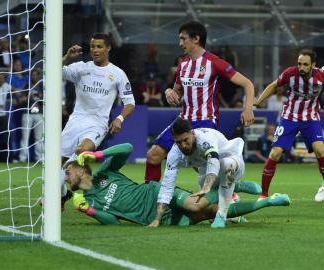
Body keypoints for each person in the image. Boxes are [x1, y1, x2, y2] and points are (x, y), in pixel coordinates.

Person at [67, 143, 290, 226]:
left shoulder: (105, 173)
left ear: (81, 168)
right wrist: (90, 211)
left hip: (155, 194)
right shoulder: (88, 200)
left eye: (67, 172)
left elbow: (126, 148)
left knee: (196, 205)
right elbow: (113, 222)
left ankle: (231, 186)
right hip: (153, 219)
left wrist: (96, 154)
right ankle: (269, 202)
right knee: (211, 212)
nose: (66, 178)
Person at [145, 21, 255, 183]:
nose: (180, 43)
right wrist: (169, 92)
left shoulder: (214, 62)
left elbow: (248, 84)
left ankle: (229, 190)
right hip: (184, 121)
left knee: (205, 163)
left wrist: (248, 109)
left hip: (206, 121)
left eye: (183, 39)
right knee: (153, 155)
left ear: (196, 39)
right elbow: (176, 92)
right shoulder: (183, 63)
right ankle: (150, 198)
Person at [61, 32, 135, 197]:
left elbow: (130, 102)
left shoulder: (117, 74)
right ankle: (61, 194)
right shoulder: (81, 67)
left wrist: (119, 118)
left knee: (83, 150)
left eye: (99, 46)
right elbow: (52, 71)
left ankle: (65, 189)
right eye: (93, 46)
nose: (95, 50)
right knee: (58, 162)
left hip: (97, 123)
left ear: (108, 48)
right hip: (76, 120)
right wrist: (66, 57)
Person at [148, 117, 250, 229]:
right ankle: (235, 188)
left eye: (185, 140)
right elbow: (167, 186)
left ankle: (221, 215)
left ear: (192, 133)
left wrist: (207, 187)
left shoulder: (205, 138)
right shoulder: (174, 154)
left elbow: (214, 161)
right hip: (206, 172)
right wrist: (157, 219)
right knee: (208, 212)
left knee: (226, 165)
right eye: (178, 142)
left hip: (233, 160)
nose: (183, 146)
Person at [254, 49, 324, 202]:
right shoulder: (290, 74)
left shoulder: (321, 76)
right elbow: (273, 85)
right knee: (275, 153)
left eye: (305, 64)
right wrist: (258, 101)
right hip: (289, 117)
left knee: (320, 150)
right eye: (299, 63)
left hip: (310, 118)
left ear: (313, 65)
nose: (301, 67)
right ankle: (263, 194)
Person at [19, 69, 43, 162]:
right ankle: (22, 158)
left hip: (39, 113)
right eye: (32, 75)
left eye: (35, 75)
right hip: (27, 113)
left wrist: (40, 96)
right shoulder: (27, 86)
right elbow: (21, 100)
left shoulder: (42, 86)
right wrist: (28, 96)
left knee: (39, 138)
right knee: (25, 137)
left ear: (38, 76)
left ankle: (39, 158)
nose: (34, 77)